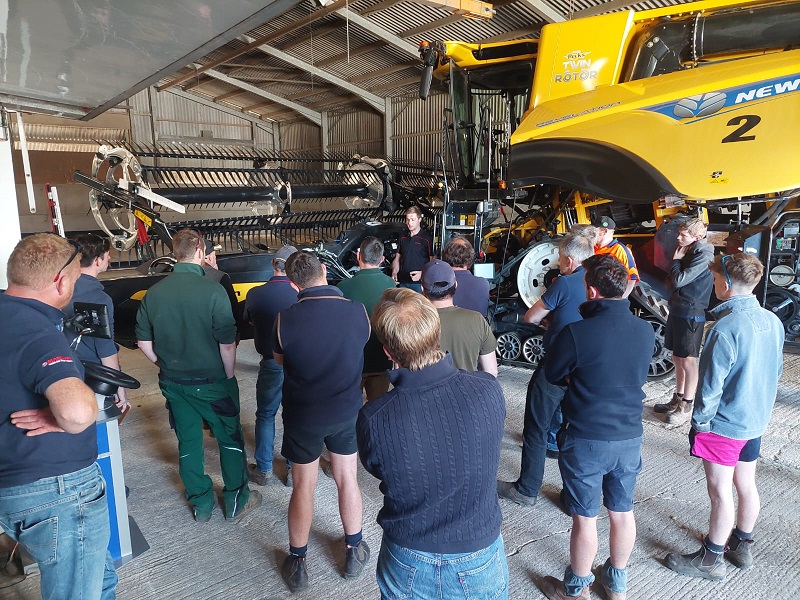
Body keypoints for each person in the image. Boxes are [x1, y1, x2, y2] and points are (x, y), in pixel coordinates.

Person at [357, 288, 509, 599]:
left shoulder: (374, 417)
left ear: (388, 352)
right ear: (435, 333)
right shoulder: (488, 390)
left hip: (408, 556)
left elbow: (376, 468)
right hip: (478, 552)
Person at [0, 233, 118, 599]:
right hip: (59, 491)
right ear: (61, 281)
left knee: (101, 580)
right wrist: (58, 416)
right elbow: (78, 412)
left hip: (14, 481)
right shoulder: (39, 333)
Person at [541, 255, 655, 600]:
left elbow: (553, 373)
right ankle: (616, 584)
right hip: (629, 435)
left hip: (586, 437)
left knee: (585, 518)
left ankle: (577, 590)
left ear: (591, 291)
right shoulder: (645, 329)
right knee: (622, 511)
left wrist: (578, 377)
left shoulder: (577, 332)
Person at [665, 253, 783, 581]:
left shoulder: (726, 328)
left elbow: (710, 386)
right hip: (754, 421)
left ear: (727, 284)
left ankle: (710, 559)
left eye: (717, 279)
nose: (714, 284)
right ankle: (741, 545)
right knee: (745, 484)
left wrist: (700, 425)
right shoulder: (773, 321)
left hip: (725, 425)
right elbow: (775, 372)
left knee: (719, 492)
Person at [135, 229, 260, 522]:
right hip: (212, 382)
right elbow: (227, 343)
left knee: (188, 441)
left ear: (174, 253)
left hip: (174, 383)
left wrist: (163, 364)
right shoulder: (213, 291)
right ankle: (236, 500)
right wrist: (227, 376)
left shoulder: (154, 293)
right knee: (229, 439)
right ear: (201, 251)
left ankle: (201, 504)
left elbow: (143, 342)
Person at [274, 252, 371, 592]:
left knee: (304, 486)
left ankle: (298, 562)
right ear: (325, 270)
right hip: (345, 411)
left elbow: (279, 359)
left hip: (304, 415)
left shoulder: (284, 319)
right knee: (347, 478)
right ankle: (354, 549)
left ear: (293, 284)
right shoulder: (357, 311)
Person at [497, 232, 594, 506]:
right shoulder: (595, 281)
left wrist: (551, 318)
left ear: (570, 260)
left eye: (561, 258)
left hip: (556, 366)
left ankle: (527, 489)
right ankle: (574, 495)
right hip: (585, 368)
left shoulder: (564, 282)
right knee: (572, 429)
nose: (559, 263)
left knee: (536, 427)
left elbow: (531, 316)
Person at [242, 244, 298, 487]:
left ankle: (264, 469)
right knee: (294, 415)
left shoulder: (256, 294)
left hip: (270, 362)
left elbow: (249, 320)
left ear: (272, 264)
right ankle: (293, 470)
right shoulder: (301, 294)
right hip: (298, 365)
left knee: (265, 414)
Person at [653, 217, 714, 425]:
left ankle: (686, 405)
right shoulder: (688, 250)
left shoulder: (703, 254)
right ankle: (677, 398)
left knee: (688, 360)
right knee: (677, 357)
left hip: (691, 312)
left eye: (683, 235)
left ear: (697, 237)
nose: (678, 238)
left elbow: (679, 280)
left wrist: (676, 261)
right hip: (679, 308)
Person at [66, 232, 131, 415]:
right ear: (97, 260)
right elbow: (105, 349)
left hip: (64, 371)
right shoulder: (99, 298)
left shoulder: (60, 289)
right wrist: (119, 387)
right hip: (91, 377)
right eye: (107, 255)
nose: (109, 258)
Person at [337, 236, 396, 401]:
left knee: (351, 409)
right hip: (382, 359)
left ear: (358, 256)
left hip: (353, 361)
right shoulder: (390, 285)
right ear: (382, 259)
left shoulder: (343, 287)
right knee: (377, 408)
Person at [421, 259, 498, 376]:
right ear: (456, 285)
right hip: (468, 387)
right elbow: (491, 372)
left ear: (422, 289)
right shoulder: (477, 320)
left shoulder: (413, 322)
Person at [442, 235, 490, 316]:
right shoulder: (483, 283)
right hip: (476, 324)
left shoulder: (439, 283)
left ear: (445, 256)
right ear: (470, 257)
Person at [592, 215, 639, 298]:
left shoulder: (620, 250)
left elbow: (631, 279)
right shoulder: (593, 247)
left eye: (594, 231)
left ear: (604, 231)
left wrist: (619, 299)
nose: (591, 234)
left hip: (611, 298)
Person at [203, 239, 242, 333]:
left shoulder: (182, 276)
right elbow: (233, 310)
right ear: (210, 258)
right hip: (216, 333)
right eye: (214, 256)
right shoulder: (220, 277)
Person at [391, 206, 433, 292]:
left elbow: (433, 261)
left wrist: (422, 274)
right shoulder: (403, 237)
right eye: (407, 220)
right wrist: (394, 272)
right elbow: (397, 258)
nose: (409, 223)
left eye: (413, 220)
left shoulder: (427, 238)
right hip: (403, 281)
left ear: (419, 219)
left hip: (419, 283)